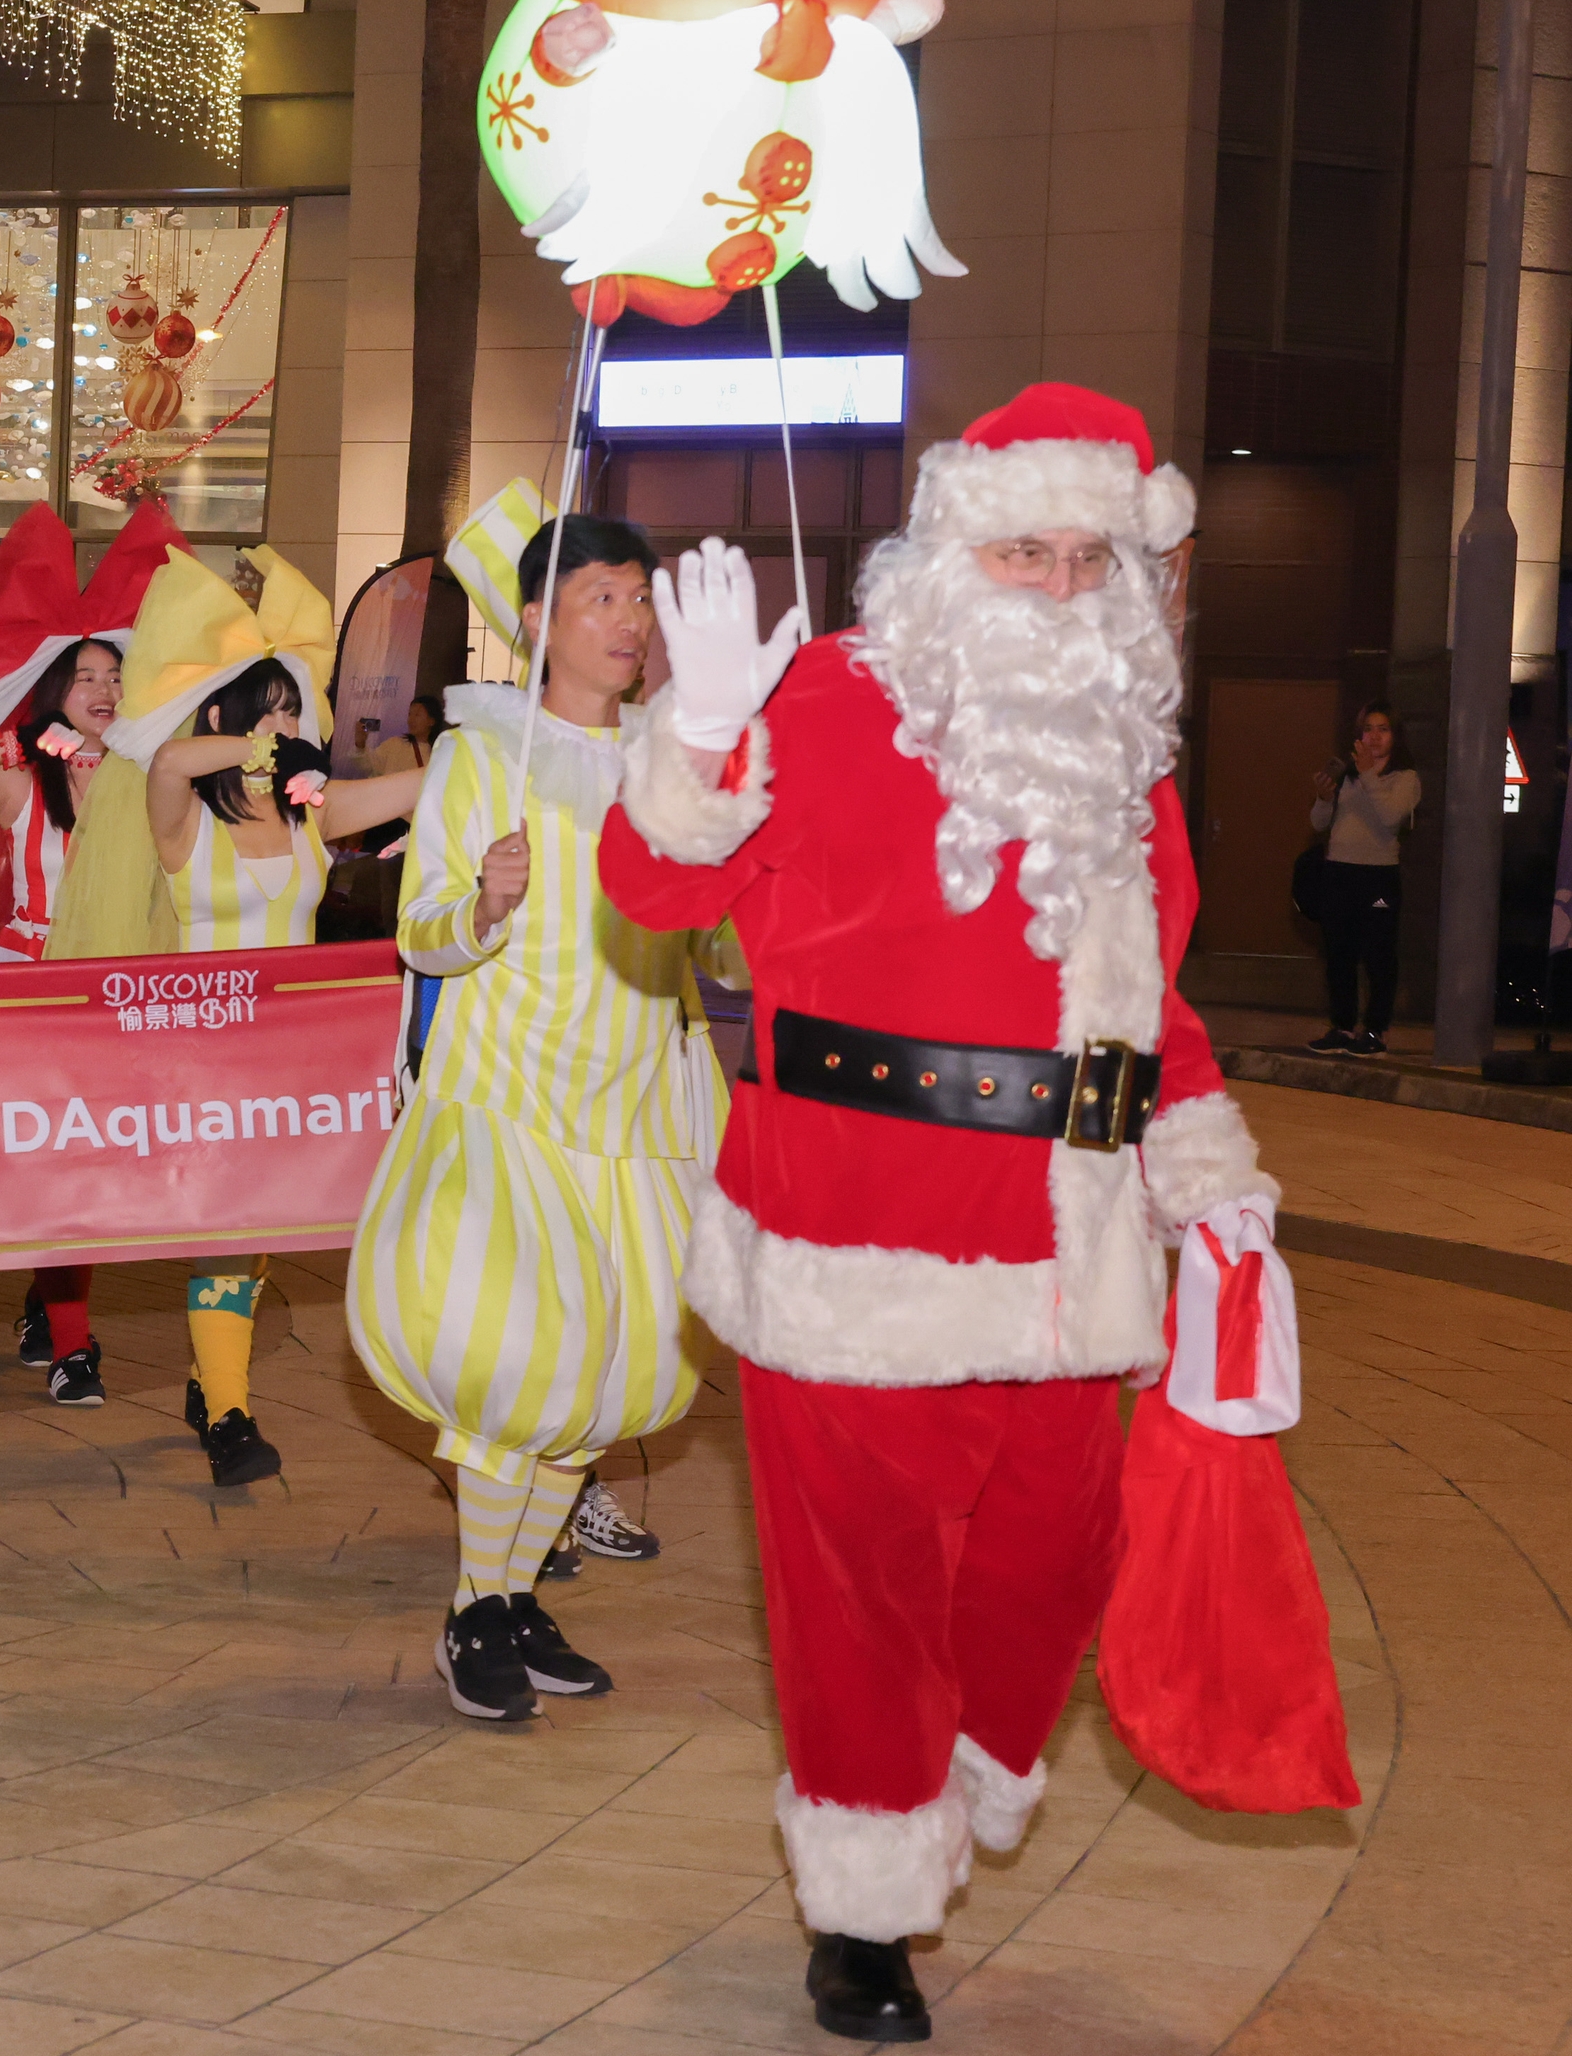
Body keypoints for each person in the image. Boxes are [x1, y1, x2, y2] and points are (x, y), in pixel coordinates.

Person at [601, 384, 1286, 2043]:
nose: (1057, 588)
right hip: (850, 1243)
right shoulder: (821, 702)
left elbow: (1155, 1002)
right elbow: (657, 892)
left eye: (1085, 560)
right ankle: (867, 1914)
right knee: (862, 1597)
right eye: (1025, 550)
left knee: (1056, 1570)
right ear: (947, 553)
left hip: (1068, 1259)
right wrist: (693, 746)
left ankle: (962, 1781)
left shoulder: (1126, 756)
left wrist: (1213, 1181)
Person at [348, 500, 725, 1726]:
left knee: (609, 1376)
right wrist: (484, 907)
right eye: (601, 597)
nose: (627, 622)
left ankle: (508, 1600)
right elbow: (421, 937)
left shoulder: (677, 762)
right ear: (535, 621)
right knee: (524, 1360)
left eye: (639, 598)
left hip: (647, 1110)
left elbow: (716, 944)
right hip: (513, 1100)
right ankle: (475, 1608)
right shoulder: (478, 759)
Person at [84, 548, 425, 1485]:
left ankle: (211, 1374)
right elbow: (167, 756)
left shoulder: (316, 817)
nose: (288, 722)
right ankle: (230, 1414)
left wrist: (492, 743)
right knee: (225, 1228)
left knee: (263, 1226)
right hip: (199, 1055)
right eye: (269, 707)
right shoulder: (183, 819)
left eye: (294, 707)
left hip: (293, 1060)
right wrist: (268, 747)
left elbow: (423, 791)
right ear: (234, 715)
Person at [0, 501, 187, 1407]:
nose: (100, 687)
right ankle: (63, 1331)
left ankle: (64, 1334)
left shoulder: (154, 777)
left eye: (113, 673)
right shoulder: (21, 780)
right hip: (22, 995)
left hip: (115, 993)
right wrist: (14, 737)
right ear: (54, 687)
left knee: (88, 1179)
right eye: (82, 673)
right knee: (41, 1171)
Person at [1305, 704, 1416, 1054]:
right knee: (1339, 954)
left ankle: (1375, 1031)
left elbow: (1389, 816)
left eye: (1383, 729)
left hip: (1378, 875)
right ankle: (1341, 1027)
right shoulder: (1348, 776)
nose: (1374, 736)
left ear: (1394, 736)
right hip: (1339, 871)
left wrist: (1368, 774)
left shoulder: (1405, 778)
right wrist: (1324, 798)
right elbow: (1319, 823)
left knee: (1379, 956)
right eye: (1368, 729)